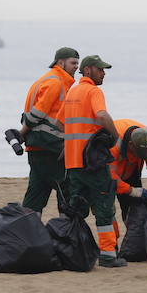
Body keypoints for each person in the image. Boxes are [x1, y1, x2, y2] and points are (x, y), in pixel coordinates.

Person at [59, 55, 124, 267]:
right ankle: (108, 255)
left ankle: (71, 250)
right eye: (100, 69)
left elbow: (60, 122)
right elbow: (103, 115)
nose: (104, 73)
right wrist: (114, 136)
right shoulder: (93, 91)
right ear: (88, 70)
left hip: (73, 162)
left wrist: (76, 138)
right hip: (93, 161)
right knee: (104, 205)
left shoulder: (72, 91)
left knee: (76, 207)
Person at [19, 47, 79, 216]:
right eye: (73, 63)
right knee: (66, 189)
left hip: (36, 147)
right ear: (60, 63)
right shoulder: (56, 83)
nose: (76, 67)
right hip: (50, 146)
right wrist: (22, 132)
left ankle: (28, 227)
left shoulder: (46, 79)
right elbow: (36, 114)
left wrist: (23, 135)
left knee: (36, 193)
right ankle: (66, 227)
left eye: (77, 63)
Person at [110, 119, 147, 235]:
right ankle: (112, 243)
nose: (143, 157)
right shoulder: (112, 144)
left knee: (133, 210)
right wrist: (132, 191)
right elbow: (110, 177)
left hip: (131, 169)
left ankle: (132, 237)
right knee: (107, 211)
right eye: (140, 154)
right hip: (107, 174)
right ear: (130, 145)